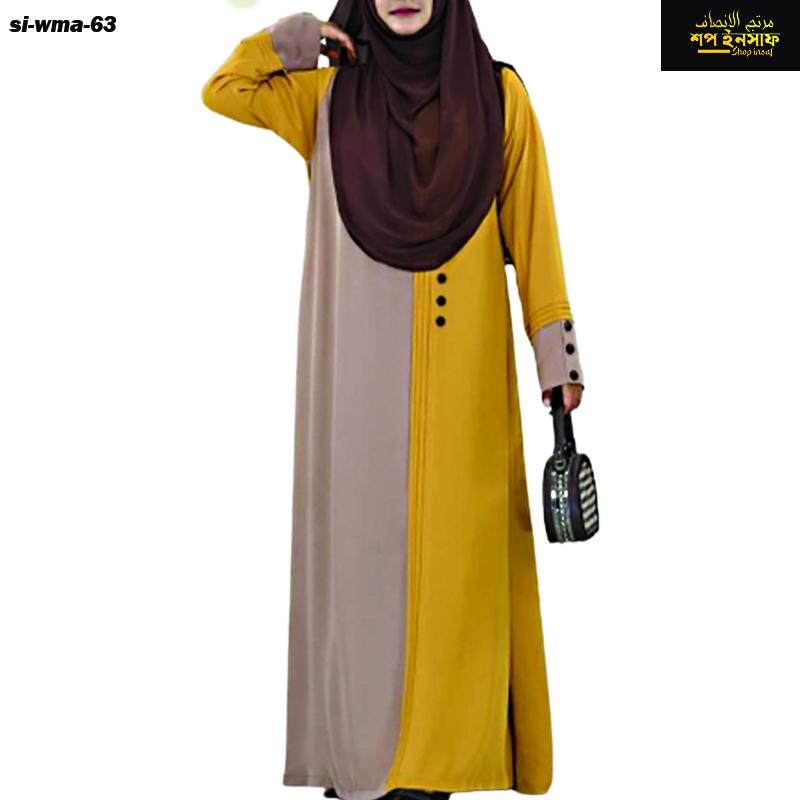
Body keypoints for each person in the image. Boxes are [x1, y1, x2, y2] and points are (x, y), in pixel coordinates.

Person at [201, 1, 585, 798]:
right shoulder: (326, 101)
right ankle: (359, 763)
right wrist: (295, 39)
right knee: (364, 577)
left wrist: (558, 361)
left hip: (465, 398)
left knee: (460, 584)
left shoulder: (500, 97)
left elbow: (536, 237)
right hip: (357, 400)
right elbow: (226, 89)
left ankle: (436, 767)